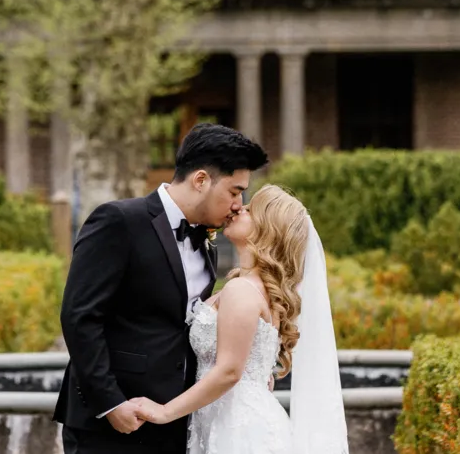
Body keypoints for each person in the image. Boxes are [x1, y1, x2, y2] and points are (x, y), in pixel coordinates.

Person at [53, 123, 269, 454]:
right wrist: (110, 403)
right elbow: (80, 316)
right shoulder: (119, 221)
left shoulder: (206, 245)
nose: (239, 204)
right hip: (111, 425)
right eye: (235, 191)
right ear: (200, 180)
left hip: (175, 424)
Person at [130, 184, 349, 454]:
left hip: (239, 430)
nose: (237, 208)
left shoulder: (242, 290)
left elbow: (230, 372)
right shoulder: (260, 289)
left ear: (267, 230)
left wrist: (164, 412)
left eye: (249, 210)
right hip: (238, 420)